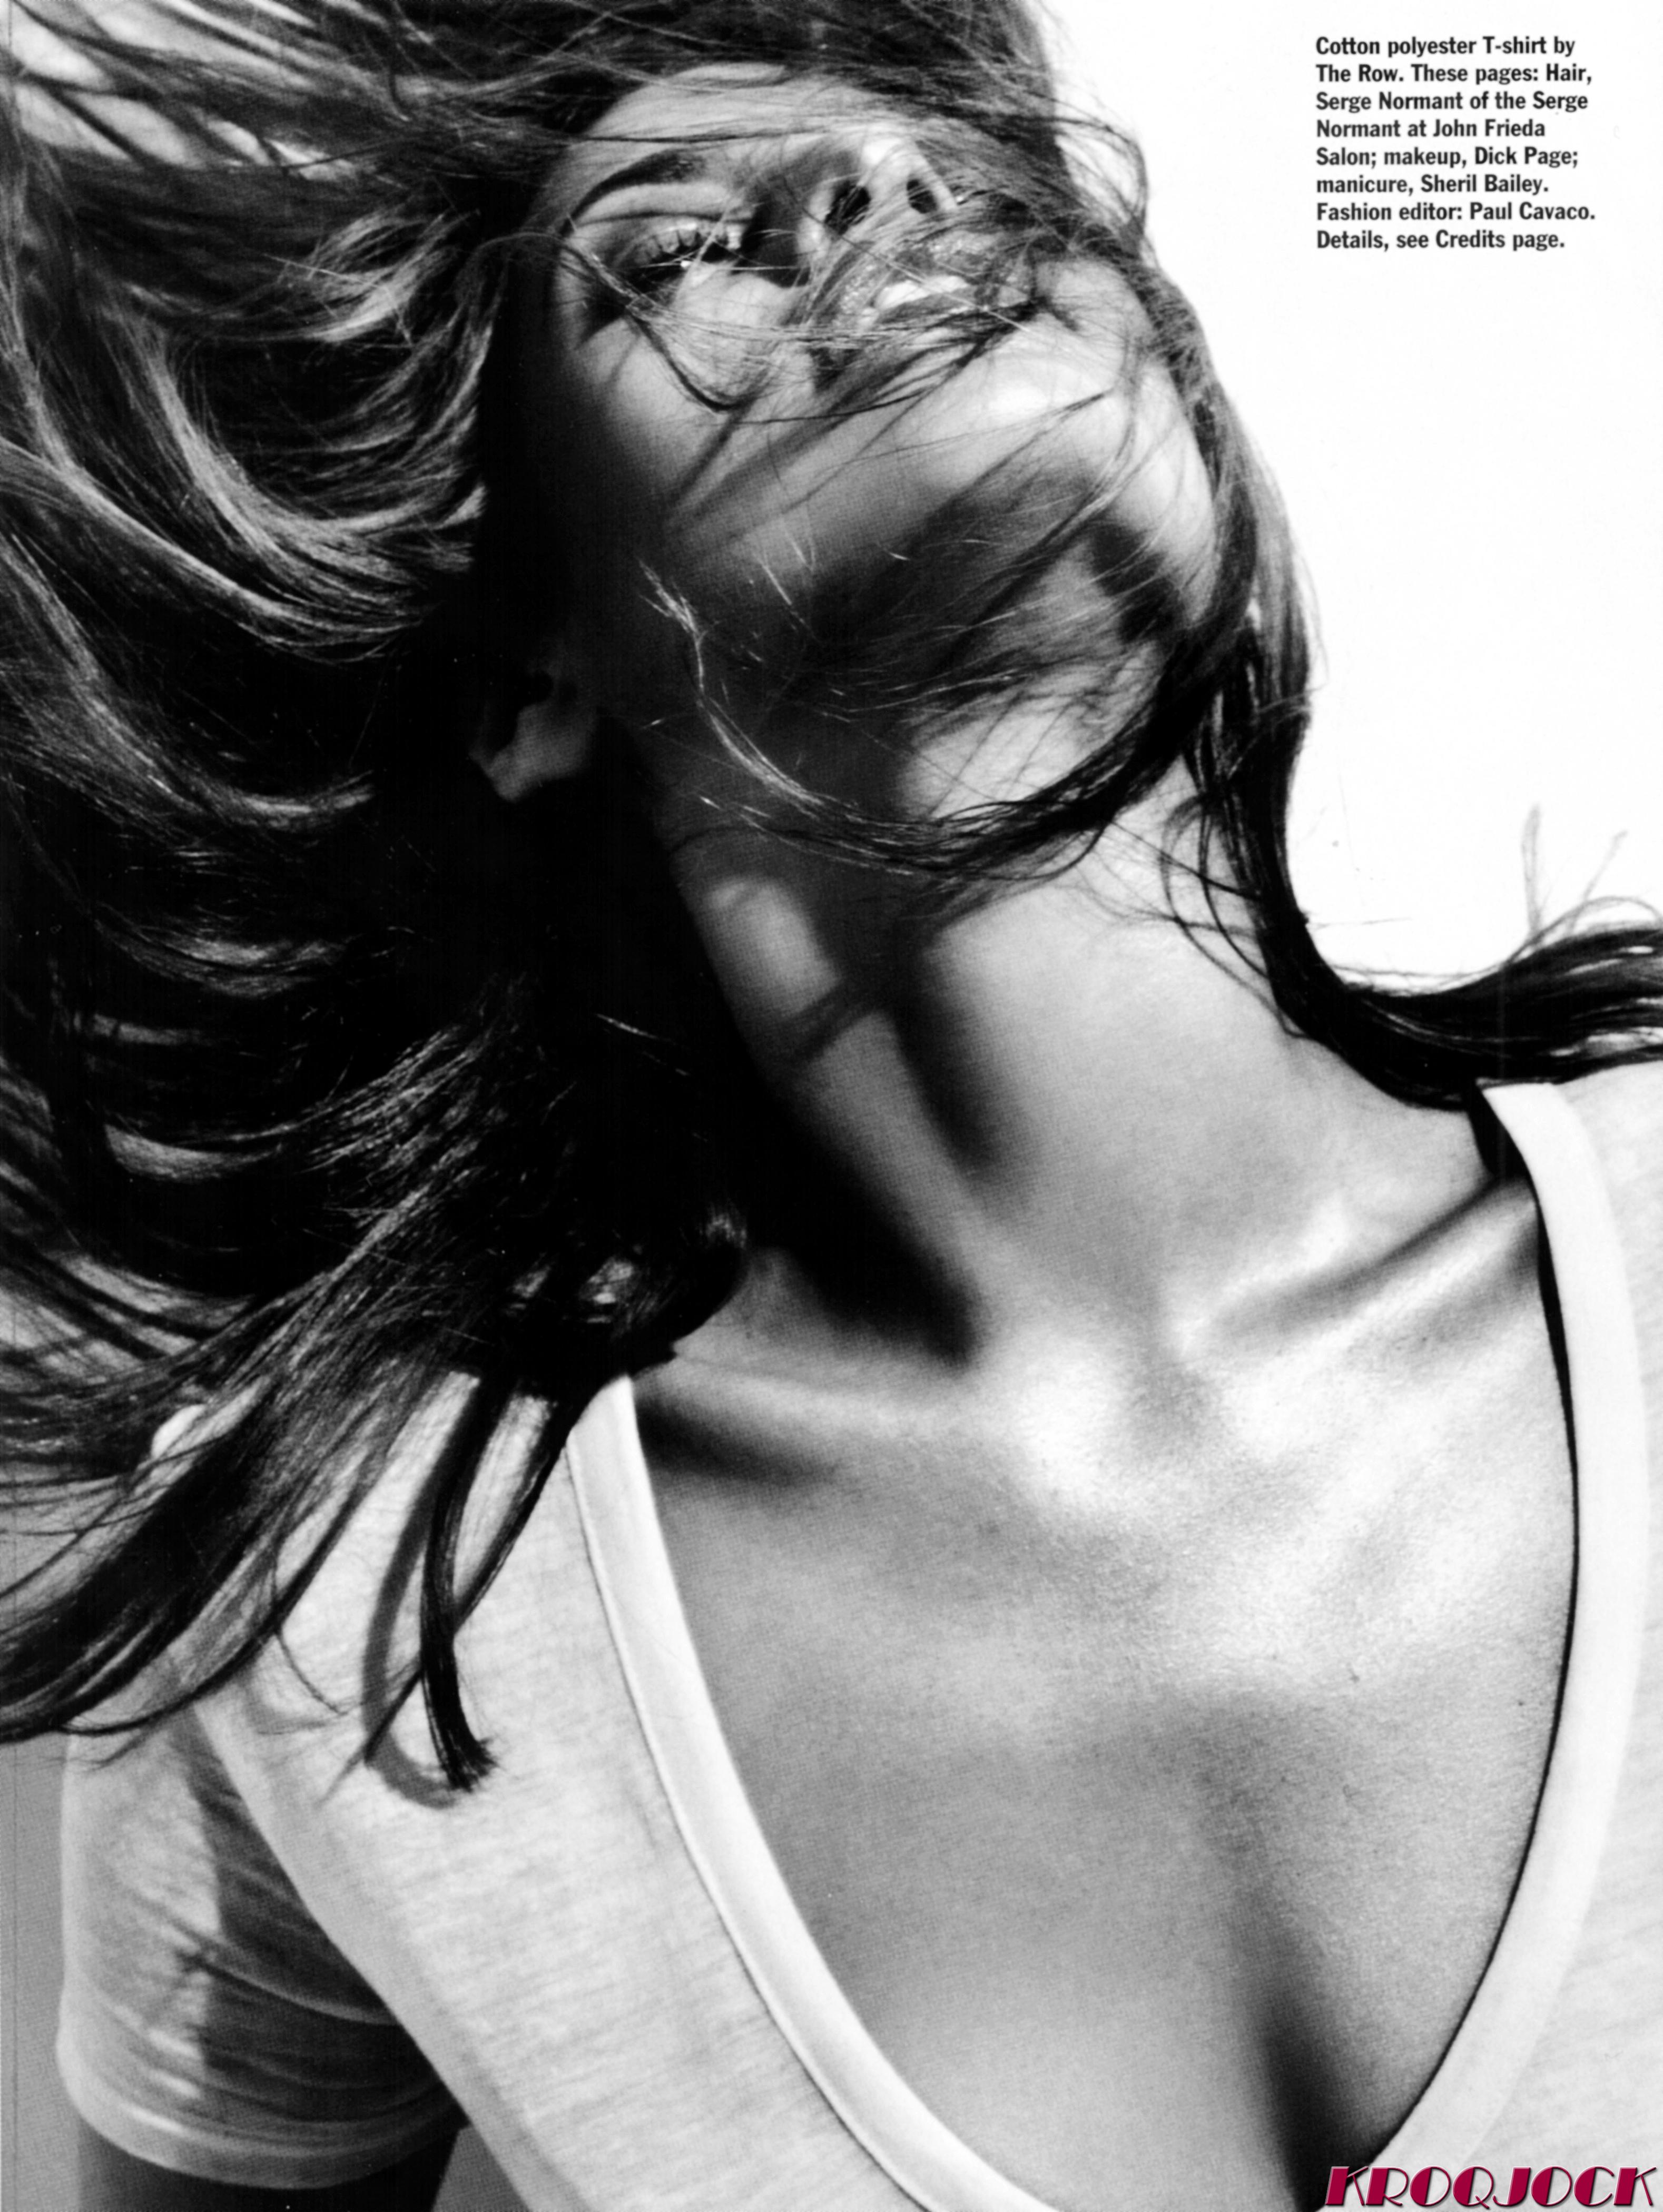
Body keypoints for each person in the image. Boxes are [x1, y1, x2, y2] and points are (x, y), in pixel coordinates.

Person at [1, 2, 1660, 2207]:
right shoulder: (343, 1617)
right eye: (680, 251)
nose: (884, 192)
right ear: (520, 678)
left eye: (980, 187)